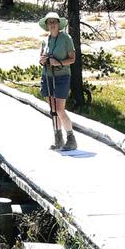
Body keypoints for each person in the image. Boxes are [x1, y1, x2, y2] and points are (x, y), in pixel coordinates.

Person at [38, 12, 77, 151]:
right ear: (47, 25)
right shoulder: (45, 41)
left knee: (60, 109)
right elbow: (41, 58)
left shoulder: (66, 38)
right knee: (53, 110)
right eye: (50, 22)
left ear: (59, 24)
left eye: (54, 22)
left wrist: (57, 62)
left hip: (62, 77)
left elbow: (72, 59)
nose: (52, 24)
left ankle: (71, 139)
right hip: (47, 77)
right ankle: (58, 139)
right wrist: (43, 60)